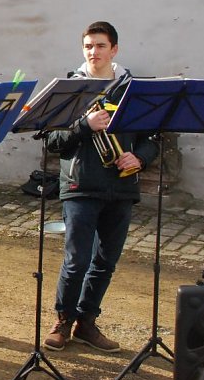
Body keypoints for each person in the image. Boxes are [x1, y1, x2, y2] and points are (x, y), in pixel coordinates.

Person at [42, 21, 157, 353]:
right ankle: (63, 320)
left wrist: (140, 158)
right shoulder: (70, 89)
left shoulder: (131, 90)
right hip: (81, 185)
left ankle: (87, 322)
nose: (94, 52)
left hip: (121, 186)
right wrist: (84, 125)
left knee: (106, 261)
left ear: (114, 50)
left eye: (101, 46)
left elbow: (151, 139)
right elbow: (53, 141)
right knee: (76, 260)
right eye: (88, 46)